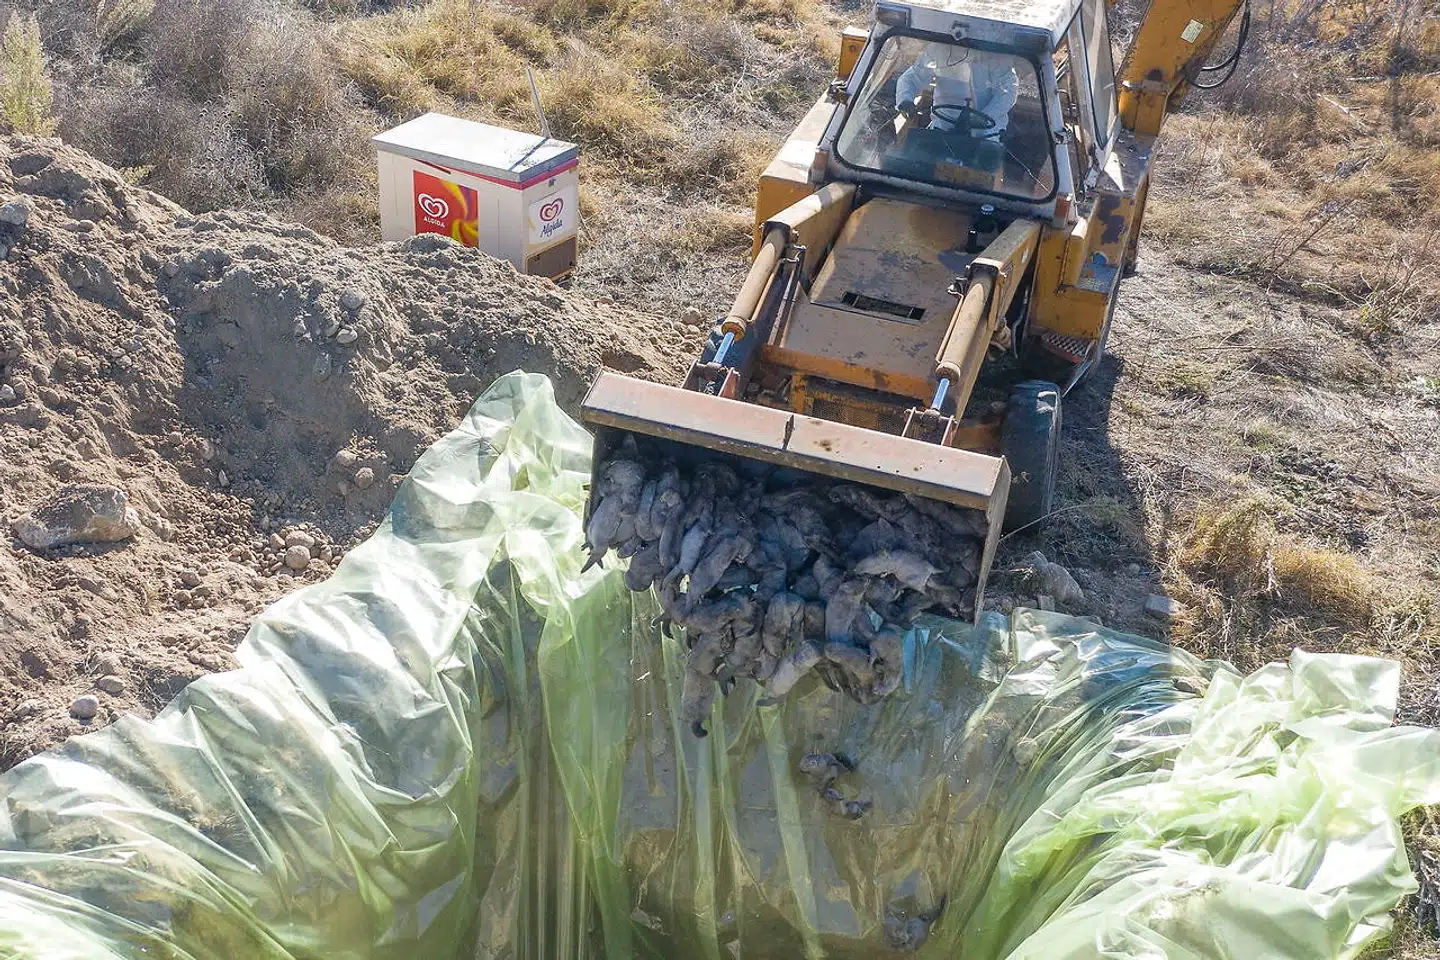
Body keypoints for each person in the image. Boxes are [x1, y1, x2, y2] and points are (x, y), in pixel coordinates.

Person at [895, 43, 1019, 136]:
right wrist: (905, 99)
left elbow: (1007, 92)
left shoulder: (993, 54)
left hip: (985, 133)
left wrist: (985, 117)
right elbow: (911, 77)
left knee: (987, 165)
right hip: (942, 128)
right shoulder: (939, 48)